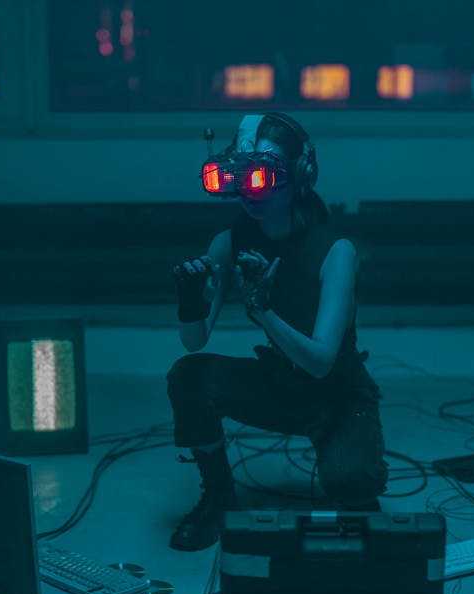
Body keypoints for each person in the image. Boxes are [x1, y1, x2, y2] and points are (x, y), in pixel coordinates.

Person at [166, 112, 388, 552]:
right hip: (281, 384)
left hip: (337, 395)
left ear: (300, 175)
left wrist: (263, 312)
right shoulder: (229, 242)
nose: (250, 189)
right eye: (242, 172)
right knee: (188, 376)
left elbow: (323, 362)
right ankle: (219, 498)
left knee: (351, 482)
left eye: (263, 174)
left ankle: (353, 486)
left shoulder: (335, 251)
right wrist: (190, 300)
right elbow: (195, 342)